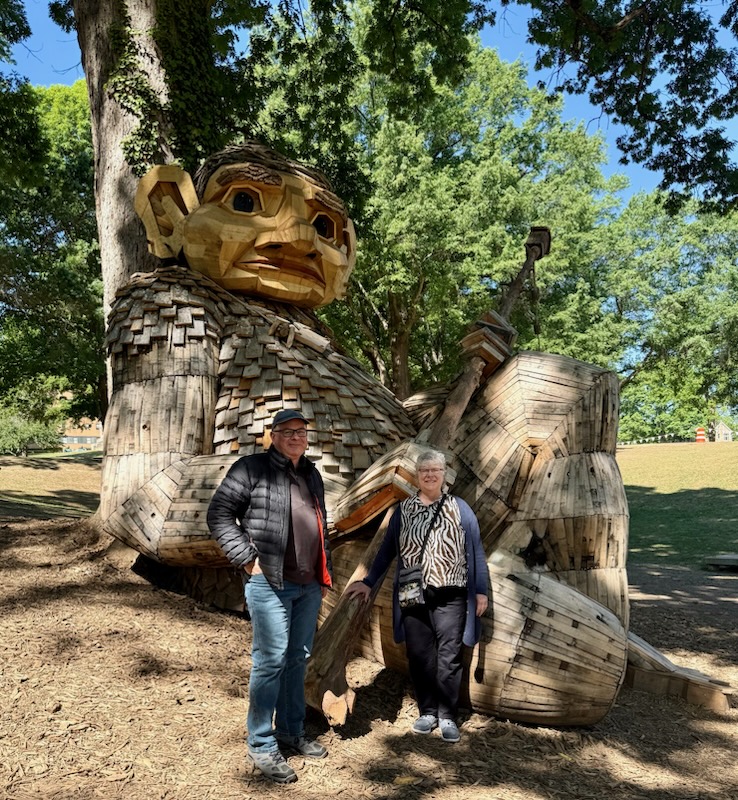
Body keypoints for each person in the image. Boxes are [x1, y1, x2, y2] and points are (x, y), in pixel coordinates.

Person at [207, 408, 332, 784]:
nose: (296, 437)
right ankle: (261, 743)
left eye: (302, 431)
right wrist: (247, 560)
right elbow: (219, 514)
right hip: (270, 582)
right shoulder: (251, 468)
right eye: (287, 431)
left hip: (309, 583)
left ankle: (291, 731)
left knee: (298, 658)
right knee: (270, 662)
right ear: (273, 436)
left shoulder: (311, 473)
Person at [346, 448, 489, 743]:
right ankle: (427, 711)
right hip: (413, 591)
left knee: (449, 655)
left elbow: (475, 550)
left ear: (443, 474)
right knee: (420, 654)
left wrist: (481, 591)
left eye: (435, 469)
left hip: (451, 592)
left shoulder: (459, 508)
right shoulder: (404, 510)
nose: (430, 474)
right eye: (424, 470)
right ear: (417, 476)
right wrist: (369, 581)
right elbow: (387, 551)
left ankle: (448, 716)